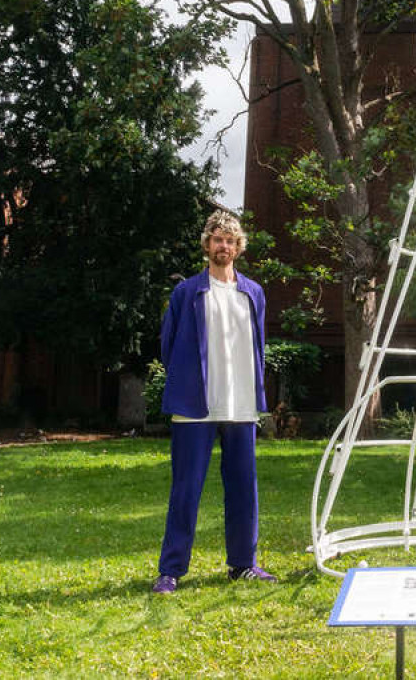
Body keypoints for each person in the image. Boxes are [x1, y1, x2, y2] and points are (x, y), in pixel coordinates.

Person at [151, 210, 276, 594]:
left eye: (230, 240)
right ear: (207, 244)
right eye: (217, 239)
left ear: (239, 248)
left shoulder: (253, 293)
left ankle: (243, 564)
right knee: (185, 489)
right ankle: (171, 570)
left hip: (241, 406)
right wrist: (189, 382)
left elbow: (258, 345)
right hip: (195, 407)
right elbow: (168, 346)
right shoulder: (186, 292)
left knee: (243, 488)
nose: (224, 246)